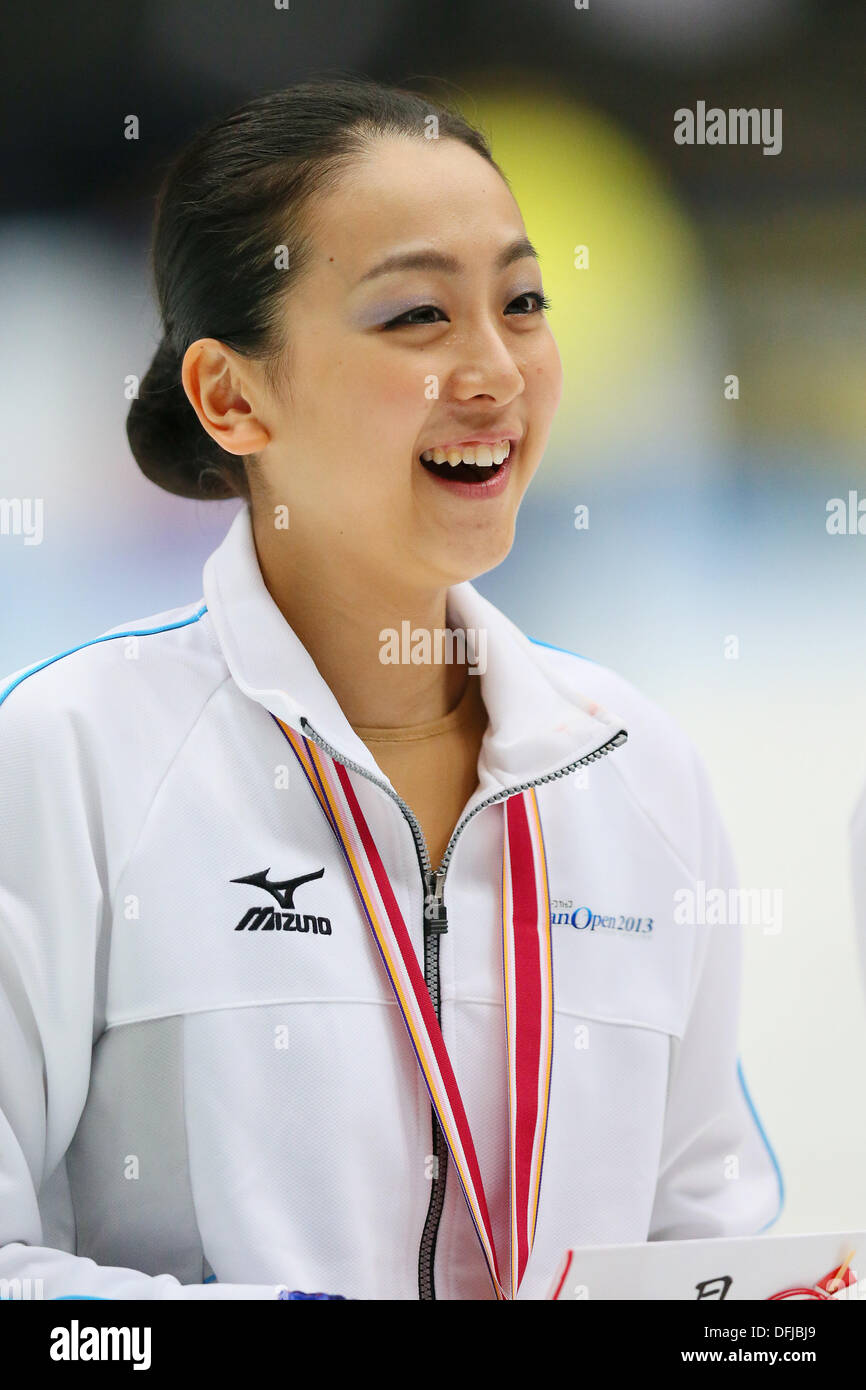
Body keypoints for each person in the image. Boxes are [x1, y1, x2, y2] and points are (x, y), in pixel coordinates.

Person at [0, 77, 781, 1302]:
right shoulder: (74, 757)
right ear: (231, 396)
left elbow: (700, 1263)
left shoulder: (635, 769)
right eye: (417, 315)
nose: (494, 369)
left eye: (522, 302)